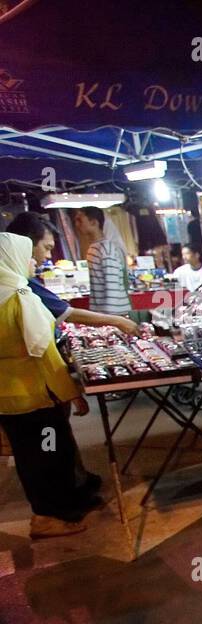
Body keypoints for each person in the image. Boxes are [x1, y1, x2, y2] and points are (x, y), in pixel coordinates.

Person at [0, 232, 102, 538]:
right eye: (28, 255)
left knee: (33, 456)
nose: (33, 261)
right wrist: (73, 393)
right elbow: (43, 352)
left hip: (9, 398)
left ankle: (62, 506)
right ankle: (48, 517)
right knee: (47, 457)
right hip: (34, 396)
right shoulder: (19, 297)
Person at [5, 212, 138, 336]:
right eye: (47, 248)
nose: (48, 256)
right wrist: (118, 321)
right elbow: (67, 313)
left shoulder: (14, 277)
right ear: (26, 244)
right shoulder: (19, 282)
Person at [73, 206, 132, 318]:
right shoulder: (97, 247)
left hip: (114, 315)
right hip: (106, 314)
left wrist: (109, 318)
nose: (77, 225)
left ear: (94, 222)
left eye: (80, 220)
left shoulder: (106, 249)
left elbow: (112, 285)